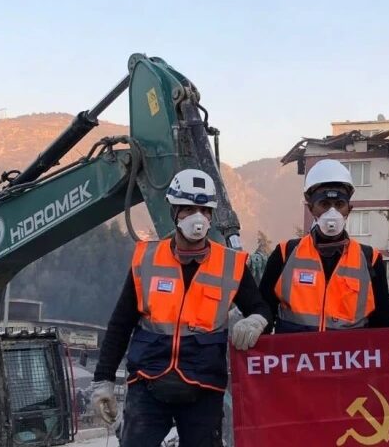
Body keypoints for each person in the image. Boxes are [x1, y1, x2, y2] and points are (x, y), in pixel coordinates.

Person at [90, 169, 271, 447]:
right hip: (148, 385)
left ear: (211, 214)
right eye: (188, 209)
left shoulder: (230, 265)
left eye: (204, 210)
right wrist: (103, 379)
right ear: (174, 211)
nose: (197, 217)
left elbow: (261, 307)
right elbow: (120, 324)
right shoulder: (147, 260)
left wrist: (256, 320)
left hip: (203, 389)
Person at [258, 159, 389, 333]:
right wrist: (256, 322)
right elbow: (263, 309)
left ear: (349, 209)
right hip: (296, 351)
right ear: (311, 208)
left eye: (339, 204)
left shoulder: (370, 260)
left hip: (347, 351)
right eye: (324, 204)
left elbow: (383, 326)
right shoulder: (285, 254)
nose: (332, 212)